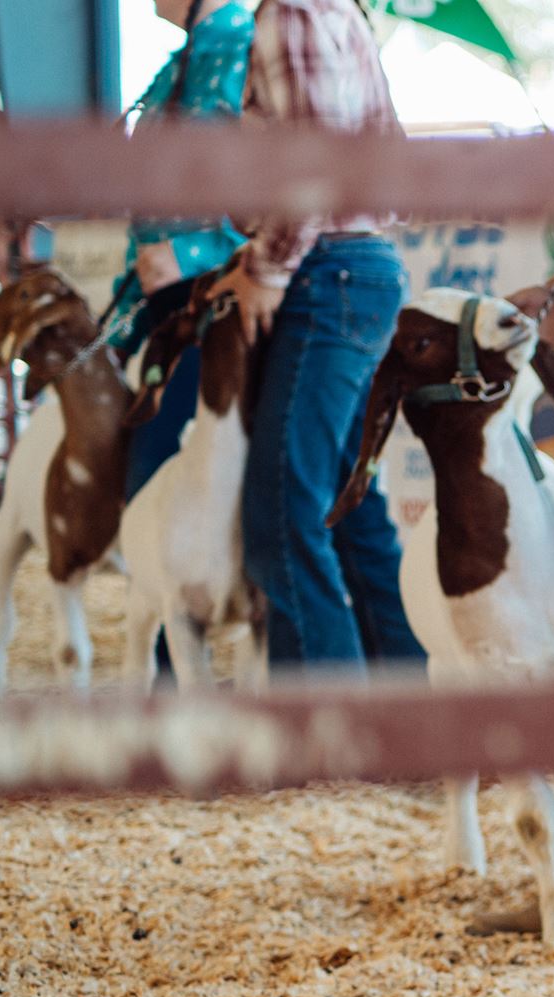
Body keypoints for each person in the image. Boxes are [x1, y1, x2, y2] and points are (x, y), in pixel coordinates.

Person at [205, 0, 424, 669]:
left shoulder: (290, 10)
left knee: (282, 508)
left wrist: (266, 267)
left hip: (325, 273)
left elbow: (313, 164)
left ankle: (325, 733)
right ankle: (411, 713)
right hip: (357, 266)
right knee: (346, 507)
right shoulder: (337, 11)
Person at [115, 0, 255, 502]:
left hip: (213, 295)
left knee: (159, 473)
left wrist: (194, 252)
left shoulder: (237, 40)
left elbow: (260, 173)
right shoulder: (196, 51)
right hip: (168, 298)